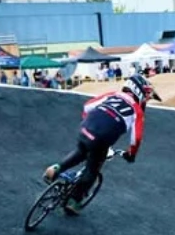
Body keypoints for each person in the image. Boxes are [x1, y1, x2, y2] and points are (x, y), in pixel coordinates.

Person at [42, 74, 160, 216]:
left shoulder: (113, 94)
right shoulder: (137, 110)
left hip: (86, 127)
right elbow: (136, 138)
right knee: (93, 168)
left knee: (81, 150)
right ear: (138, 91)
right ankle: (73, 201)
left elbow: (87, 106)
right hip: (101, 139)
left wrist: (90, 125)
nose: (146, 99)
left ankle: (56, 168)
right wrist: (131, 154)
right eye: (146, 95)